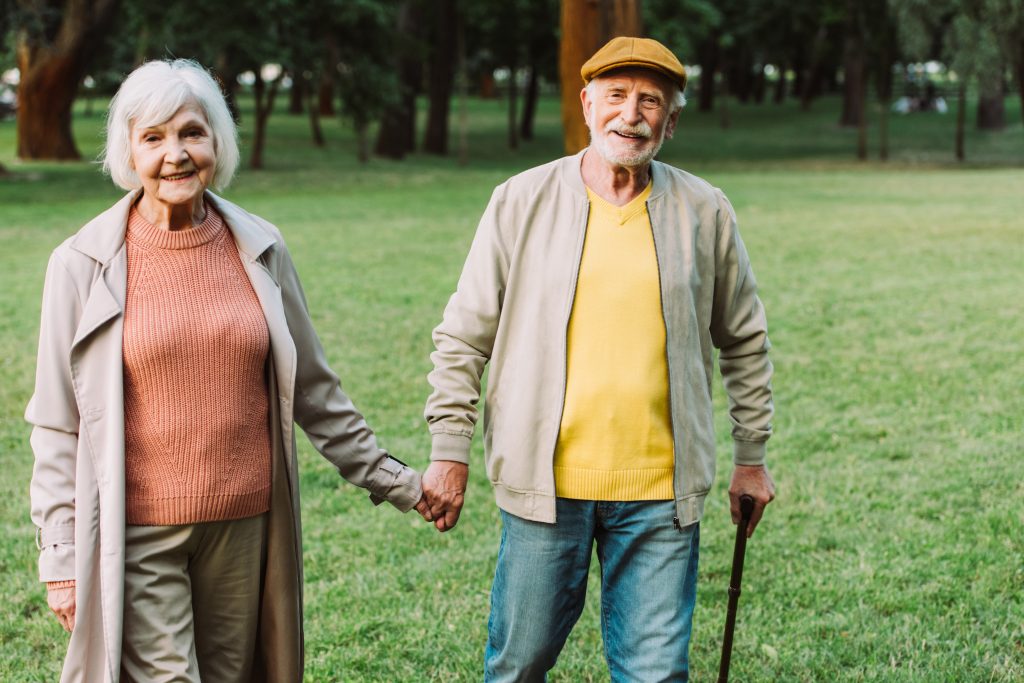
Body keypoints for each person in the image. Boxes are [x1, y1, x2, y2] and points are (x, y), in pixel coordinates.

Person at [27, 59, 428, 683]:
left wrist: (395, 480)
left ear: (217, 141)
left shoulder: (261, 247)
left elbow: (315, 390)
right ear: (128, 152)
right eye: (153, 138)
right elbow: (56, 423)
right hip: (139, 533)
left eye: (192, 133)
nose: (176, 155)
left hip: (246, 529)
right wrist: (60, 555)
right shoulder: (80, 265)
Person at [420, 37, 776, 681]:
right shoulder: (520, 200)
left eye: (650, 102)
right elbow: (464, 334)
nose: (630, 115)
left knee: (656, 673)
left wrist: (751, 457)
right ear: (587, 105)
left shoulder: (705, 210)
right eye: (616, 96)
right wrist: (450, 449)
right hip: (544, 490)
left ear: (670, 122)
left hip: (662, 496)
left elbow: (745, 339)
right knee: (518, 666)